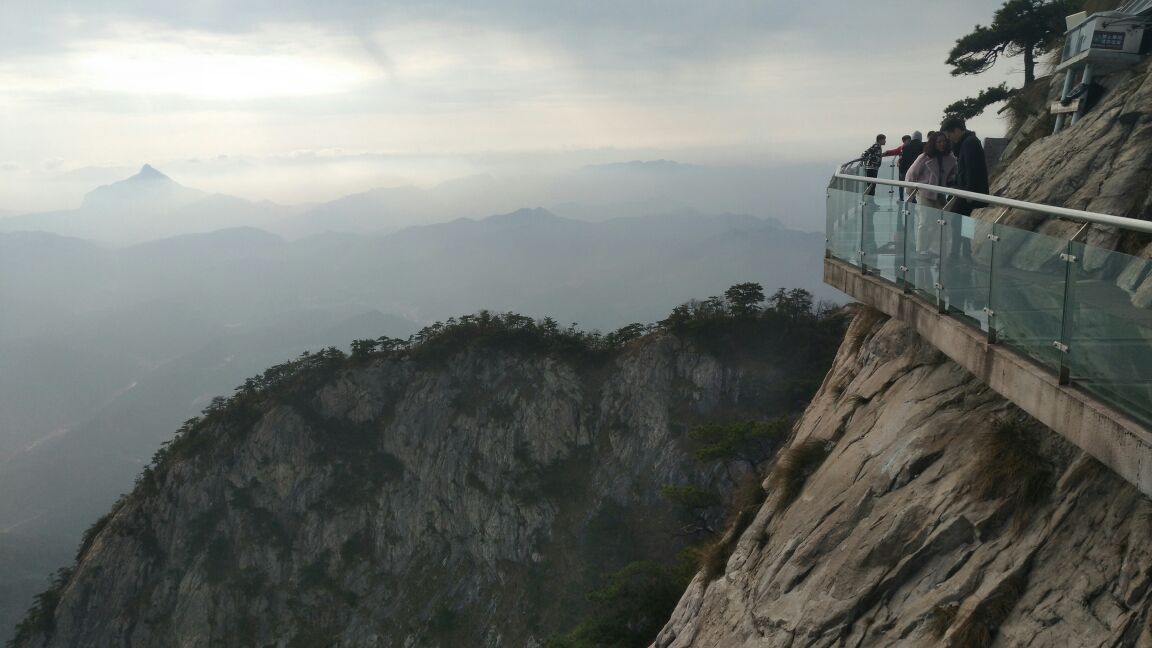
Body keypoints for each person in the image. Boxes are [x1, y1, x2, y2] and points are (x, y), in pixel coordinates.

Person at [940, 116, 988, 260]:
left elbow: (972, 169)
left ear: (956, 130)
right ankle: (965, 253)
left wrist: (969, 193)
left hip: (968, 191)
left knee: (956, 220)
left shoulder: (969, 143)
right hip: (967, 189)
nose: (949, 139)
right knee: (964, 221)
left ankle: (956, 253)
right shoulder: (968, 142)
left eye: (949, 135)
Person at [905, 132, 957, 253]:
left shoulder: (950, 158)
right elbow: (911, 174)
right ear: (933, 143)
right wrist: (910, 191)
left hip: (940, 194)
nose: (942, 144)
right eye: (939, 142)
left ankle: (931, 248)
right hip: (925, 193)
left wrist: (951, 181)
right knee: (925, 222)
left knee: (938, 223)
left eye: (943, 141)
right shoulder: (924, 157)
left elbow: (953, 173)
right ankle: (921, 250)